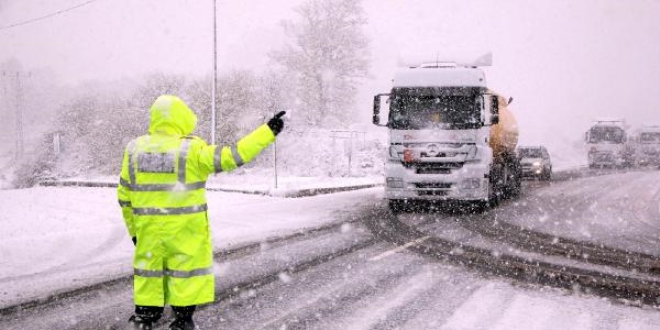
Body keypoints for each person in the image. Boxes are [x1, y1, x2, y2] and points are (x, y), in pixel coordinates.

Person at [117, 95, 285, 330]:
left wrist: (135, 232)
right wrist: (267, 132)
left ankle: (143, 320)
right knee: (185, 280)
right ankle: (182, 322)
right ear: (181, 118)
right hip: (185, 233)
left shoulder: (134, 150)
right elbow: (232, 156)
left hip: (149, 234)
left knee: (149, 276)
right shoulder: (191, 150)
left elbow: (124, 196)